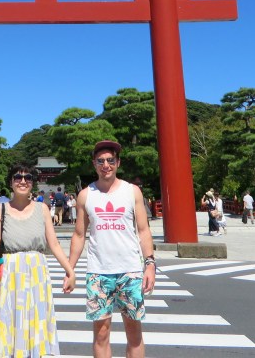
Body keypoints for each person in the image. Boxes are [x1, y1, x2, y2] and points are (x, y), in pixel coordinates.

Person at [69, 140, 156, 358]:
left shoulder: (132, 191)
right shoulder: (85, 195)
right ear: (94, 164)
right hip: (98, 272)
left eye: (110, 160)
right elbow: (79, 235)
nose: (105, 165)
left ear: (118, 162)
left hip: (130, 270)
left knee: (134, 332)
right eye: (100, 161)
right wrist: (70, 269)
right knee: (101, 333)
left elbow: (143, 230)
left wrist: (150, 264)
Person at [0, 164, 75, 358]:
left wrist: (70, 271)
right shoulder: (0, 209)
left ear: (33, 183)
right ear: (11, 182)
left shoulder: (42, 209)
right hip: (10, 272)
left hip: (37, 272)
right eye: (18, 177)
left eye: (28, 178)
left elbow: (54, 244)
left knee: (37, 325)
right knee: (12, 324)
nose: (23, 181)